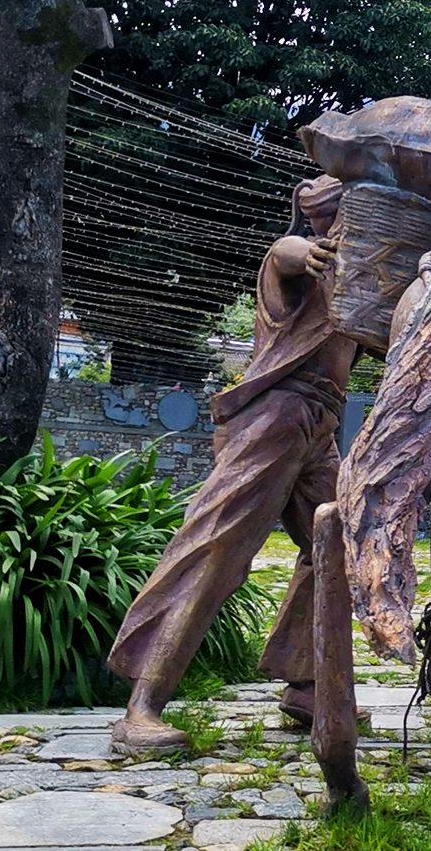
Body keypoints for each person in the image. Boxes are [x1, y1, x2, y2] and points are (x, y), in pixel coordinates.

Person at [108, 176, 358, 751]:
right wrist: (311, 250)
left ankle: (306, 685)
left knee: (339, 538)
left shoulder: (363, 276)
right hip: (272, 417)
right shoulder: (300, 257)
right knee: (217, 546)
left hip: (320, 423)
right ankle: (142, 704)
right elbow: (289, 256)